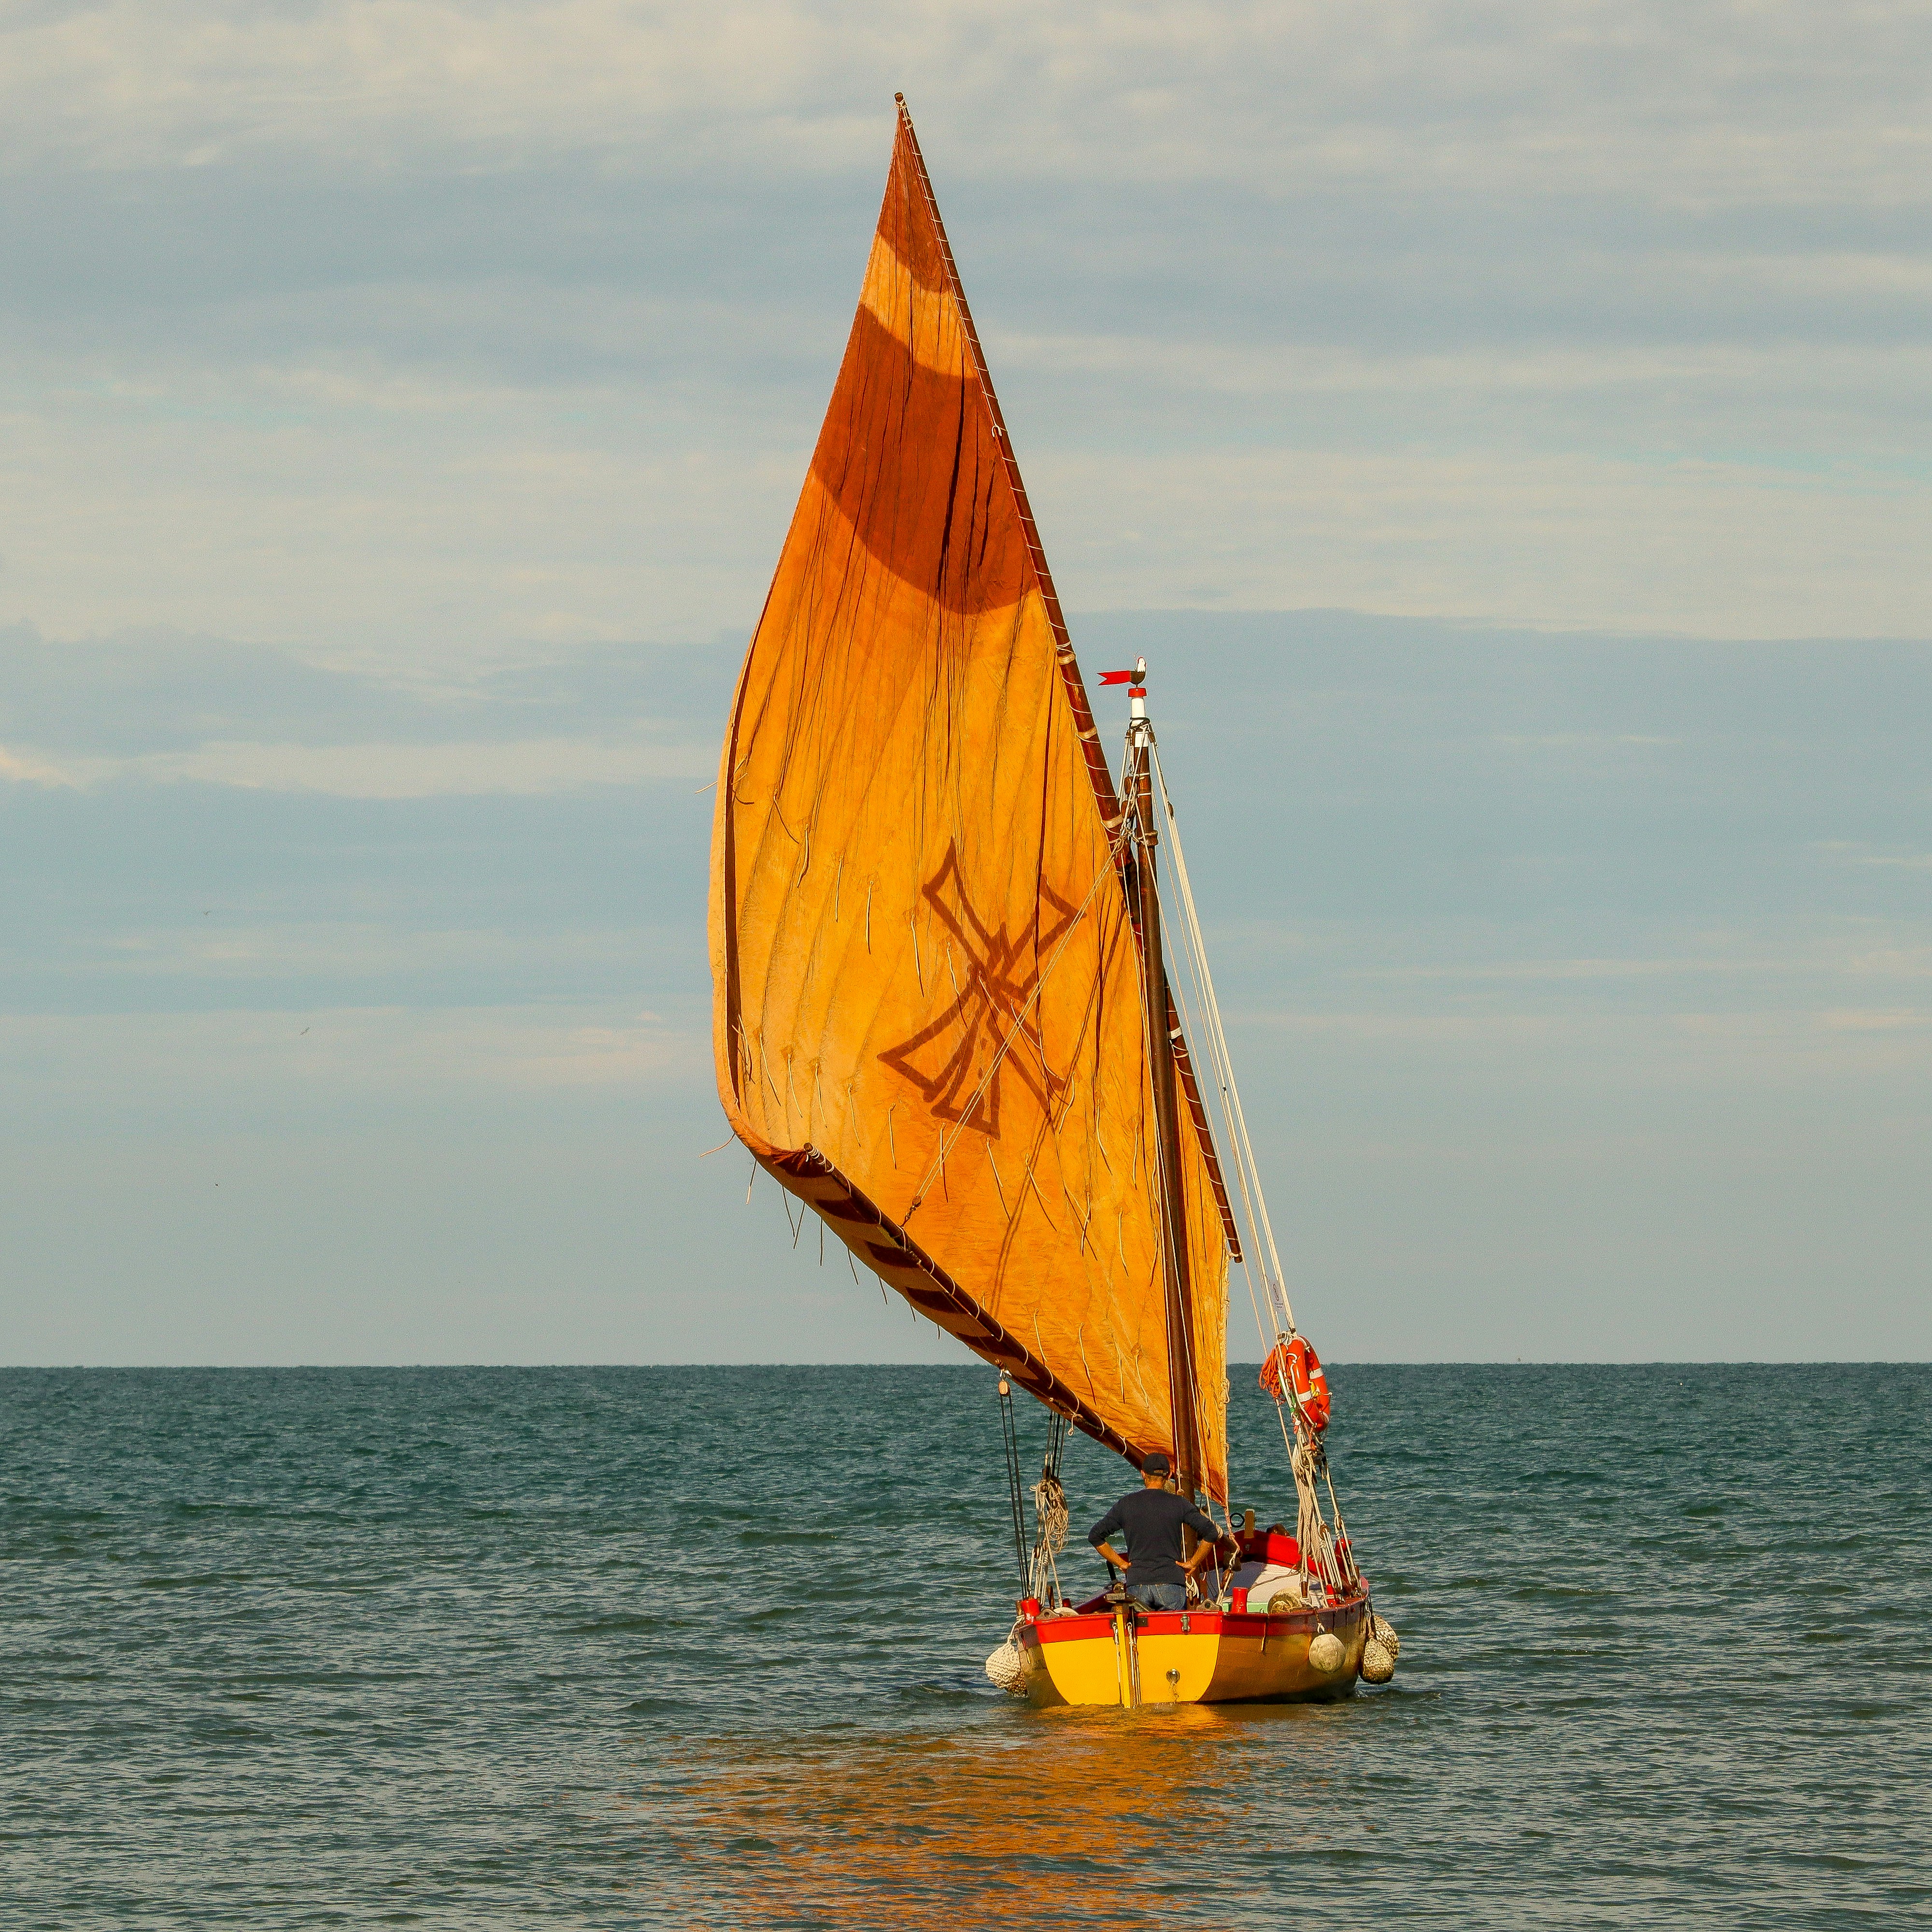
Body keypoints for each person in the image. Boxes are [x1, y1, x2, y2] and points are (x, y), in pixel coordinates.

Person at [1087, 1453, 1231, 1611]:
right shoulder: (1180, 1504)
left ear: (1143, 1474)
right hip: (1171, 1583)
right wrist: (1193, 1564)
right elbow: (1211, 1533)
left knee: (1142, 1633)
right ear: (1169, 1475)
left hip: (1138, 1584)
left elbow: (1095, 1536)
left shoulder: (1125, 1505)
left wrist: (1122, 1564)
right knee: (1170, 1632)